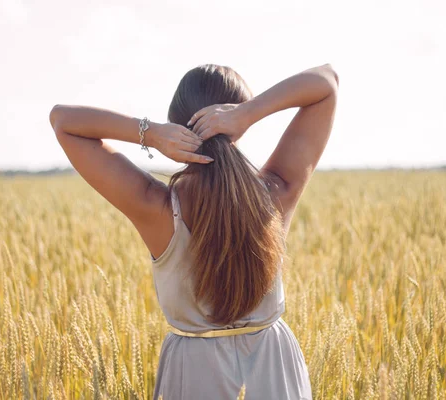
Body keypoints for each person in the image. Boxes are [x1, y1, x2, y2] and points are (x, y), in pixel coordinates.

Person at [49, 63, 338, 400]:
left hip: (194, 371)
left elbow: (63, 121)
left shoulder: (155, 206)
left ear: (176, 121)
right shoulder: (277, 191)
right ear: (238, 128)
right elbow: (326, 83)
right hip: (273, 369)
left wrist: (150, 133)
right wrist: (249, 113)